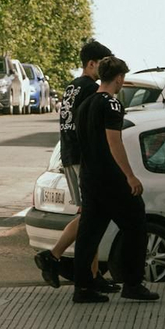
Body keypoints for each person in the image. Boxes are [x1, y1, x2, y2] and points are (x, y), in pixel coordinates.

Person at [72, 56, 158, 304]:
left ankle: (83, 287)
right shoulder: (111, 104)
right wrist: (129, 176)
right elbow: (114, 142)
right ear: (119, 78)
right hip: (110, 177)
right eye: (123, 78)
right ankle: (133, 283)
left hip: (89, 177)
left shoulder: (85, 104)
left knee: (89, 232)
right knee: (135, 223)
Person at [34, 39, 113, 288]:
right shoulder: (91, 89)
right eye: (103, 64)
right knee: (90, 216)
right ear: (91, 64)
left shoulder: (72, 87)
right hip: (82, 158)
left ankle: (93, 274)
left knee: (90, 216)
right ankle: (53, 256)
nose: (105, 70)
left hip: (68, 154)